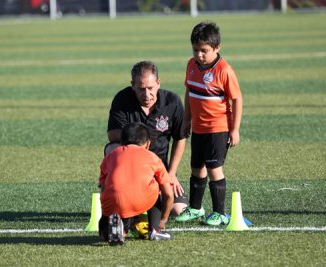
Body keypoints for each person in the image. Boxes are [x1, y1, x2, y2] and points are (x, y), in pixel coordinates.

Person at [175, 21, 243, 226]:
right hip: (198, 128)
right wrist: (187, 120)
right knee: (196, 166)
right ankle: (195, 208)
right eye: (195, 50)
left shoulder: (224, 70)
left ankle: (220, 212)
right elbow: (189, 92)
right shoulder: (191, 65)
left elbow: (237, 99)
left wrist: (235, 129)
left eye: (204, 51)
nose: (199, 55)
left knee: (214, 168)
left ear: (217, 48)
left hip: (218, 128)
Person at [106, 60, 188, 215]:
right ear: (133, 85)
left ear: (158, 83)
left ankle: (147, 199)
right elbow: (112, 135)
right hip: (131, 167)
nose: (146, 94)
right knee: (112, 148)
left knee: (178, 210)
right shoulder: (122, 99)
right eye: (141, 89)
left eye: (150, 88)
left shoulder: (172, 101)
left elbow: (180, 138)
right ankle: (121, 192)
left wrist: (171, 173)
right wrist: (139, 135)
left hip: (159, 168)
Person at [98, 122, 174, 244]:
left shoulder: (110, 156)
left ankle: (118, 231)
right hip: (141, 200)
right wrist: (163, 220)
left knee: (105, 229)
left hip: (112, 202)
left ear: (121, 142)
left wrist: (104, 215)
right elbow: (169, 194)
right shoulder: (153, 157)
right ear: (148, 143)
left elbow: (103, 188)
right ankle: (155, 230)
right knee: (156, 186)